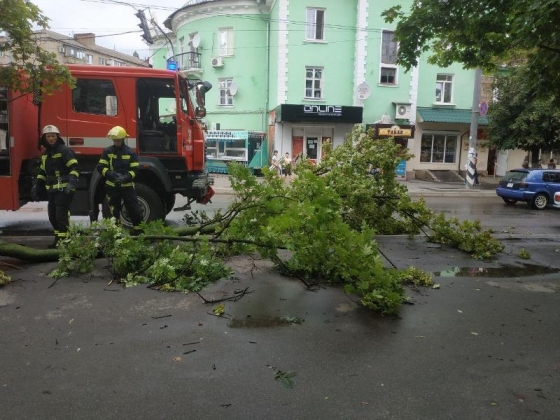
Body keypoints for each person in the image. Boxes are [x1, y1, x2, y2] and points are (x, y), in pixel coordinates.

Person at [31, 125, 80, 248]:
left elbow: (75, 168)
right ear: (45, 138)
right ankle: (58, 239)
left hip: (63, 189)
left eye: (53, 136)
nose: (51, 138)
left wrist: (71, 184)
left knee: (60, 216)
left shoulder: (64, 150)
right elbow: (42, 172)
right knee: (52, 216)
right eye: (48, 136)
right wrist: (37, 186)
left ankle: (65, 243)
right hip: (51, 189)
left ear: (57, 137)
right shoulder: (45, 154)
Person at [97, 126, 143, 233]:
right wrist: (111, 175)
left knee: (135, 210)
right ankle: (114, 234)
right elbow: (101, 167)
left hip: (127, 187)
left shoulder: (130, 152)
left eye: (118, 139)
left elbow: (135, 170)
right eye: (114, 140)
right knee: (113, 212)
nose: (116, 141)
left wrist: (126, 178)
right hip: (112, 187)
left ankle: (140, 234)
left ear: (123, 139)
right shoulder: (107, 151)